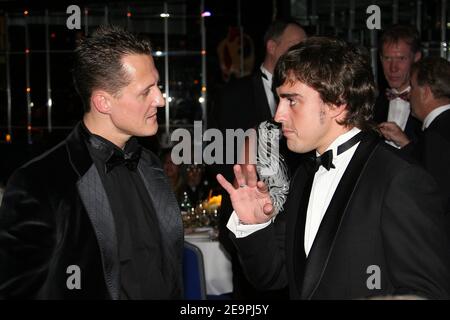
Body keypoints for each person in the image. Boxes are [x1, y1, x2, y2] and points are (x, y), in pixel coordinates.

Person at [217, 37, 450, 299]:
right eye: (279, 100)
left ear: (337, 103)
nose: (278, 115)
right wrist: (252, 225)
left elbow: (428, 292)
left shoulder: (399, 179)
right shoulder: (304, 174)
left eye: (291, 100)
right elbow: (272, 277)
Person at [0, 26, 183, 299]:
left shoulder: (150, 165)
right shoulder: (38, 183)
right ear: (103, 102)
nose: (159, 99)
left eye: (158, 86)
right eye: (146, 91)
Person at [209, 19, 307, 299]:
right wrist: (257, 193)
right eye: (295, 45)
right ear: (272, 47)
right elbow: (217, 154)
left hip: (294, 228)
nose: (302, 51)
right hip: (248, 217)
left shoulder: (310, 98)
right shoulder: (233, 94)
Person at [393, 57, 450, 212]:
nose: (409, 95)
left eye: (412, 87)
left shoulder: (436, 136)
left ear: (425, 92)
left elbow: (436, 201)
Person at [375, 24, 422, 147]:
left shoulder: (428, 106)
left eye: (401, 58)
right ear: (380, 59)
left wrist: (405, 143)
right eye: (387, 58)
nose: (393, 68)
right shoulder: (372, 103)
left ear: (416, 58)